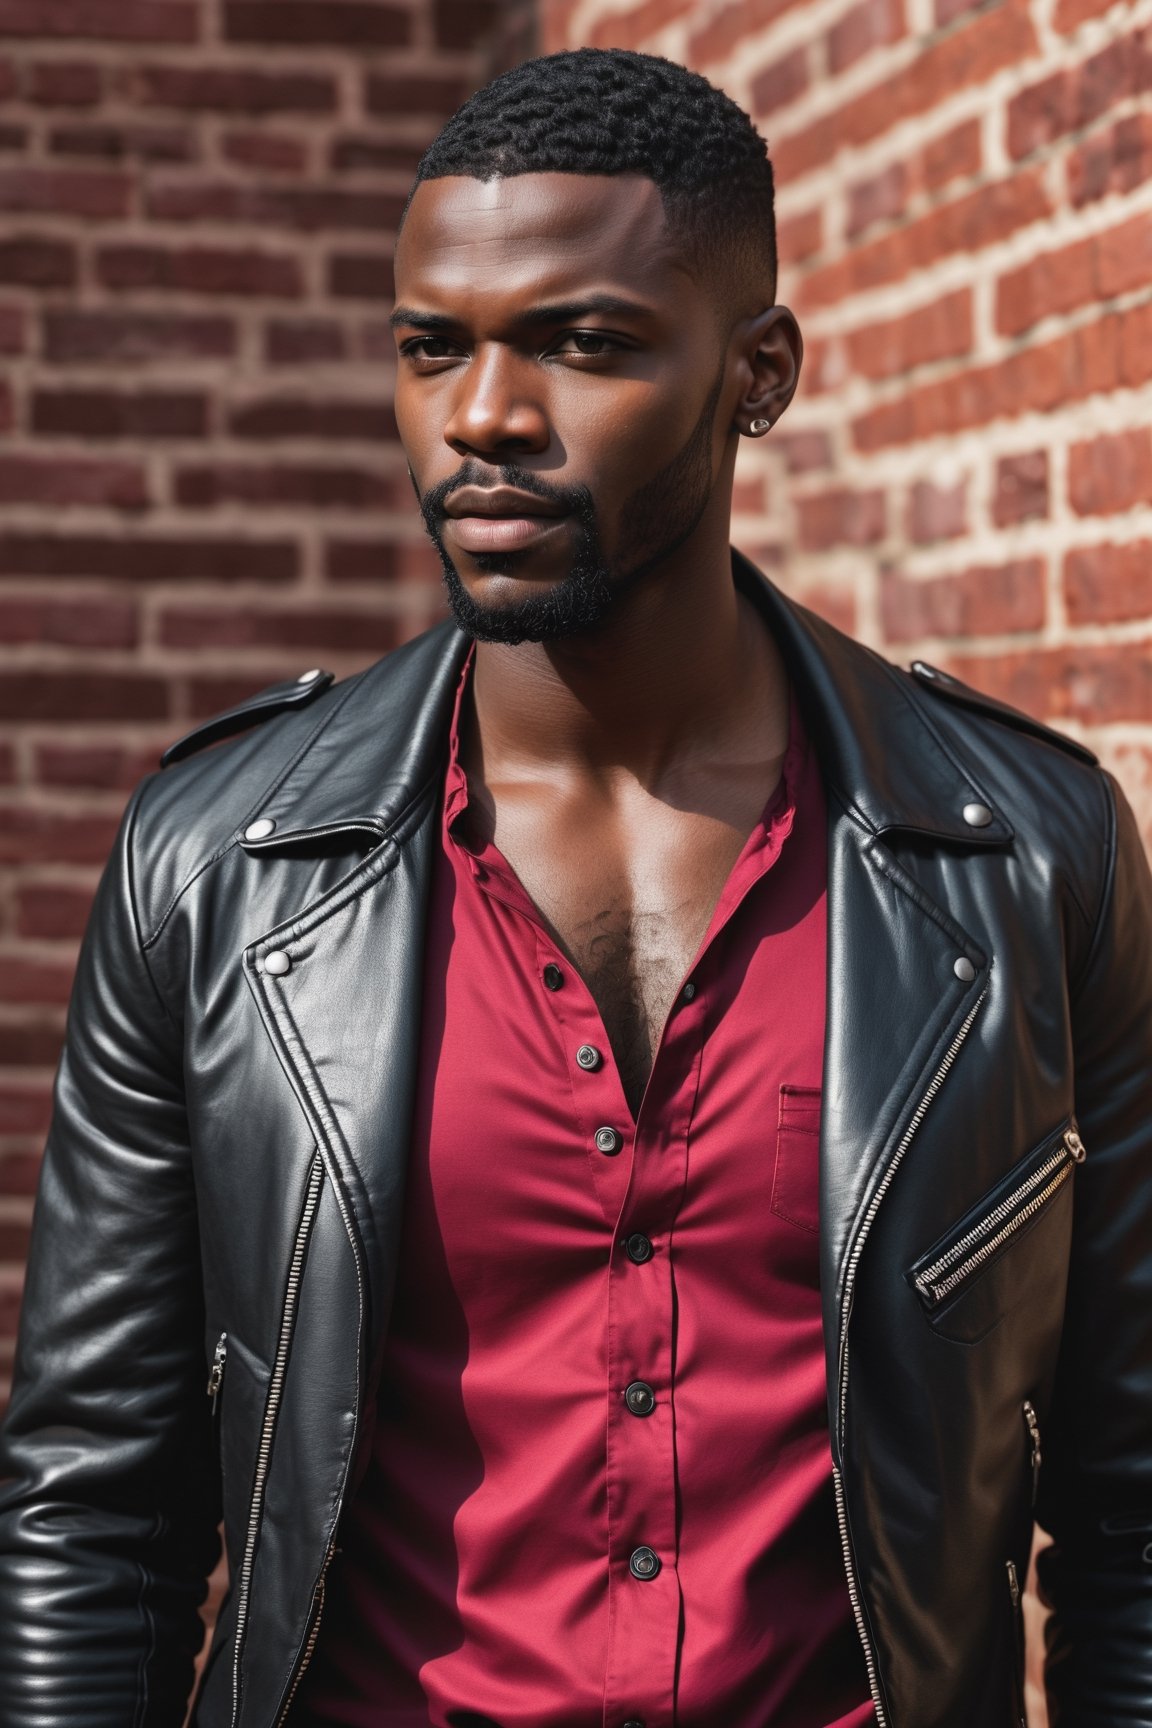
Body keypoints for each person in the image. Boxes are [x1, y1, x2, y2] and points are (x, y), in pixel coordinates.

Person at [1, 44, 1149, 1728]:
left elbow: (1132, 1500)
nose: (481, 419)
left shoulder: (1024, 857)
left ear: (758, 376)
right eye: (430, 349)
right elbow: (93, 1509)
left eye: (583, 344)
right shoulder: (215, 868)